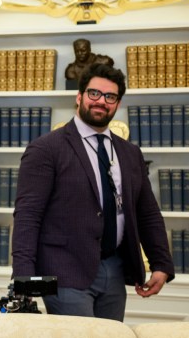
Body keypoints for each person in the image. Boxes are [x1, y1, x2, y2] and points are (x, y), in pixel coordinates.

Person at [12, 62, 174, 320]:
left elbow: (148, 214)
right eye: (94, 93)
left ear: (117, 104)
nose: (101, 101)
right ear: (79, 97)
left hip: (115, 270)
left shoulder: (130, 153)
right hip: (61, 272)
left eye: (110, 97)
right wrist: (24, 284)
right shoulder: (45, 149)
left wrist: (161, 264)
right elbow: (27, 217)